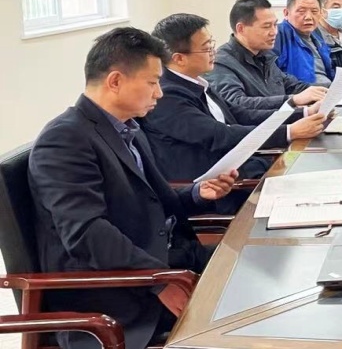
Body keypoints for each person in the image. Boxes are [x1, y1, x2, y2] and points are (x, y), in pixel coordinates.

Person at [28, 27, 238, 349]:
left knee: (252, 268)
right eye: (153, 83)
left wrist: (198, 193)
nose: (160, 94)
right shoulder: (64, 140)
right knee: (242, 315)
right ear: (115, 81)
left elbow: (153, 201)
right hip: (121, 293)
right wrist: (159, 281)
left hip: (166, 261)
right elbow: (87, 234)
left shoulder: (129, 128)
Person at [142, 14, 328, 213]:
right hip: (218, 191)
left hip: (244, 170)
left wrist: (304, 112)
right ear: (179, 58)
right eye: (206, 48)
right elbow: (219, 135)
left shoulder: (196, 82)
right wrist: (289, 132)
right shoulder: (167, 96)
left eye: (212, 44)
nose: (213, 52)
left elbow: (242, 114)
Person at [208, 0, 327, 111]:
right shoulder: (220, 62)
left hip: (281, 120)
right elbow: (235, 103)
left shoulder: (264, 56)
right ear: (241, 29)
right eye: (266, 27)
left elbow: (292, 86)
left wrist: (327, 92)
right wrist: (292, 100)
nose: (274, 32)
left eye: (275, 25)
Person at [274, 0, 335, 87]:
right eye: (301, 11)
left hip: (329, 90)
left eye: (314, 11)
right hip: (302, 92)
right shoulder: (277, 35)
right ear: (286, 13)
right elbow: (273, 76)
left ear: (321, 13)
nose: (308, 17)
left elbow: (328, 72)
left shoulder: (317, 36)